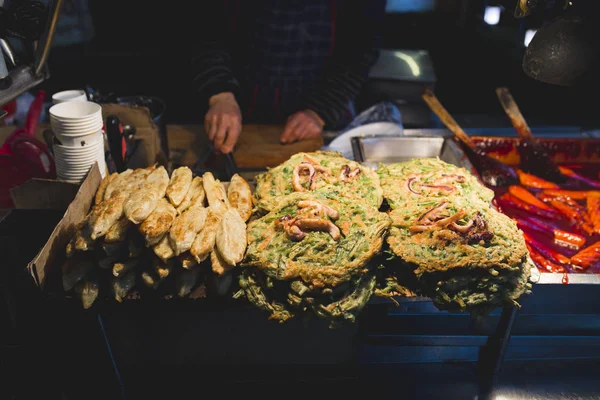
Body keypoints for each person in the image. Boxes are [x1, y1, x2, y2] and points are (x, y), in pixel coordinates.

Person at [191, 0, 387, 154]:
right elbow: (206, 30)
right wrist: (219, 92)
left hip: (327, 99)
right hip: (239, 97)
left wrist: (321, 110)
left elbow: (362, 48)